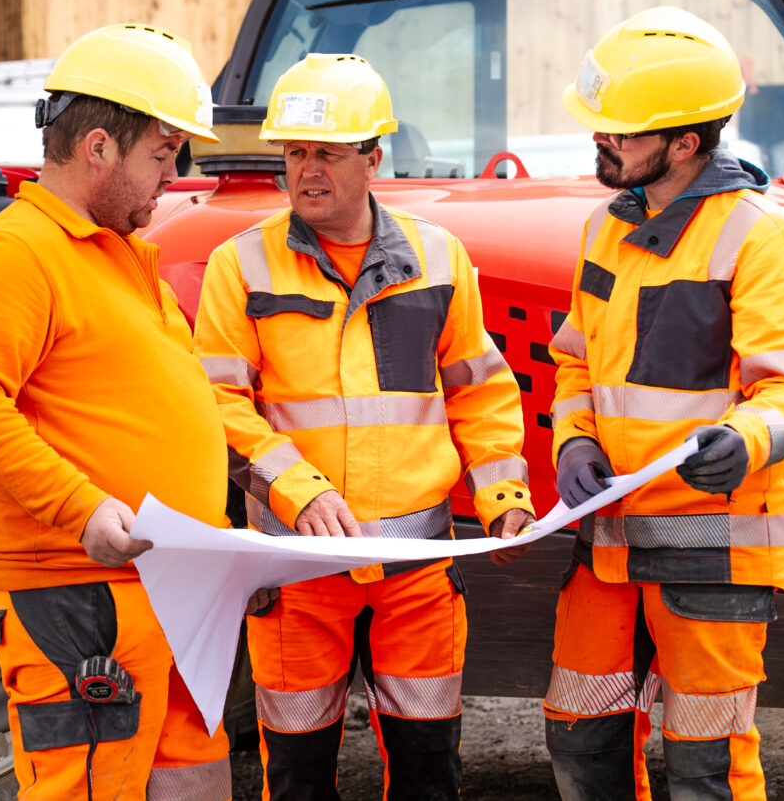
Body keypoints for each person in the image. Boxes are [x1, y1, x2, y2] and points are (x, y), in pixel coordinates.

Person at [193, 52, 535, 800]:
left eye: (328, 153)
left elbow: (479, 392)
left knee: (427, 772)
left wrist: (507, 503)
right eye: (294, 153)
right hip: (296, 575)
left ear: (374, 156)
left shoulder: (438, 258)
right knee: (298, 778)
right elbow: (216, 403)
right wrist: (296, 489)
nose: (306, 171)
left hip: (416, 574)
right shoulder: (240, 266)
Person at [542, 7, 784, 800]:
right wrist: (573, 444)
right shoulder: (606, 227)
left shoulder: (763, 238)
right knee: (579, 732)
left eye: (622, 133)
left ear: (686, 144)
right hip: (609, 541)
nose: (602, 141)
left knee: (706, 767)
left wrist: (745, 438)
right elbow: (576, 364)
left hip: (714, 550)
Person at [0, 23, 236, 801]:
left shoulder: (120, 255)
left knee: (197, 784)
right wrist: (79, 510)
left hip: (169, 595)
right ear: (101, 147)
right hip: (79, 601)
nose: (172, 177)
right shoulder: (19, 252)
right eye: (162, 155)